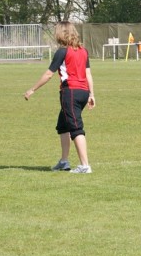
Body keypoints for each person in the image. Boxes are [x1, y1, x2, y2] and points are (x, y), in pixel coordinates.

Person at [24, 21, 95, 174]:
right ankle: (64, 162)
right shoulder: (83, 51)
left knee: (76, 127)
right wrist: (91, 94)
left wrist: (32, 89)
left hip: (71, 92)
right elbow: (88, 74)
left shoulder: (62, 52)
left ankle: (85, 166)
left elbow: (48, 74)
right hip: (83, 92)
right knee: (63, 125)